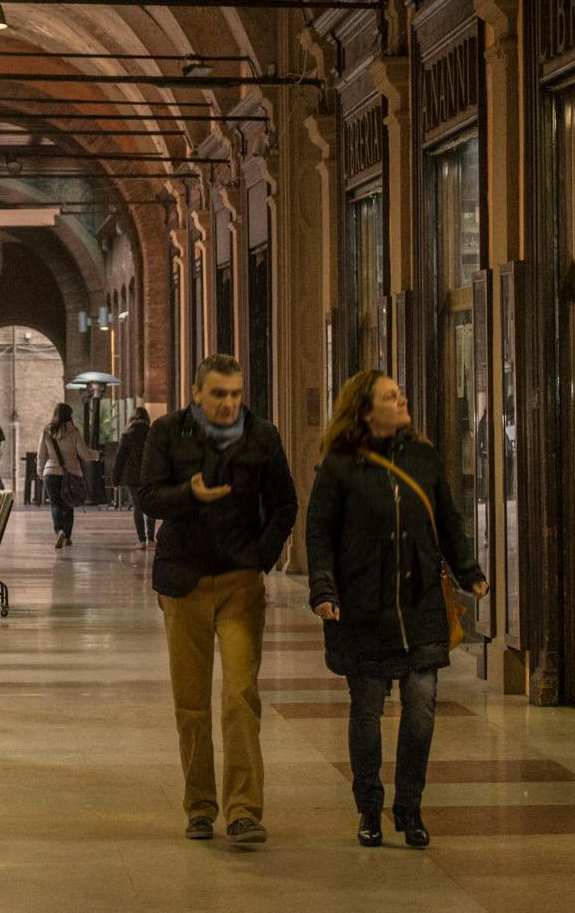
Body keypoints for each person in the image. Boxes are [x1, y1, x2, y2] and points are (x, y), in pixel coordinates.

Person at [306, 370, 488, 850]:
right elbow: (320, 533)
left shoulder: (423, 458)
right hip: (363, 606)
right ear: (366, 410)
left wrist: (469, 571)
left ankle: (410, 806)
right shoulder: (339, 465)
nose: (402, 399)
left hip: (420, 601)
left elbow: (446, 518)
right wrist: (324, 589)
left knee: (422, 705)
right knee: (366, 709)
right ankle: (369, 808)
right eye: (391, 396)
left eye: (400, 393)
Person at [139, 354, 297, 846]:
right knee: (191, 703)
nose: (229, 403)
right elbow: (147, 496)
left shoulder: (263, 436)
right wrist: (189, 494)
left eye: (235, 394)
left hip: (238, 583)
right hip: (183, 581)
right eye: (219, 394)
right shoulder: (167, 433)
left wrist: (260, 560)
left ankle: (245, 810)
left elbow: (285, 504)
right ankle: (200, 807)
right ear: (196, 394)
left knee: (240, 697)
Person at [38, 402, 96, 548]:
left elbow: (41, 455)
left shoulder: (47, 431)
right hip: (70, 474)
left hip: (50, 474)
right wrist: (96, 455)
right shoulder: (74, 433)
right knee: (68, 505)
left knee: (55, 504)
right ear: (69, 415)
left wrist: (40, 472)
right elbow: (85, 455)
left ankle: (59, 531)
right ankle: (67, 536)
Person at [110, 407, 154, 546]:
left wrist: (115, 479)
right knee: (150, 506)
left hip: (133, 477)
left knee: (138, 507)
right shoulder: (152, 433)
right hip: (150, 476)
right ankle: (151, 539)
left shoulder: (127, 434)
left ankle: (141, 540)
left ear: (132, 419)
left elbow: (120, 458)